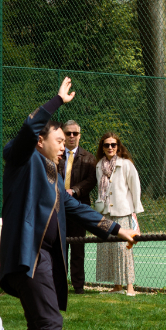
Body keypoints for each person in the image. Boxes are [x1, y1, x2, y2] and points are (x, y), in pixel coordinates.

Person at [0, 77, 138, 330]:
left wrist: (117, 229)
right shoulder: (22, 161)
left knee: (38, 323)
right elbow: (27, 130)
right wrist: (56, 102)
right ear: (40, 141)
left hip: (42, 258)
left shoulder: (54, 175)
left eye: (65, 141)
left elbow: (74, 208)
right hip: (28, 257)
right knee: (49, 323)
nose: (64, 146)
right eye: (58, 140)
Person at [94, 132, 143, 297]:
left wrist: (135, 209)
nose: (110, 148)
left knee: (123, 248)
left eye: (113, 145)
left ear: (118, 147)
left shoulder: (126, 164)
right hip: (105, 212)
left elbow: (135, 187)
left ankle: (130, 286)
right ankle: (117, 285)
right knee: (108, 248)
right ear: (102, 147)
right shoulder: (99, 165)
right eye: (106, 145)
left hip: (122, 211)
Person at [61, 119, 97, 293]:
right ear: (63, 135)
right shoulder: (55, 155)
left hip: (79, 208)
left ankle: (78, 286)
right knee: (59, 248)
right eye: (68, 133)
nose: (72, 136)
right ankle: (60, 285)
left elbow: (91, 181)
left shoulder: (89, 158)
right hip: (57, 209)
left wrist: (74, 191)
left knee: (77, 248)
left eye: (75, 133)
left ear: (80, 136)